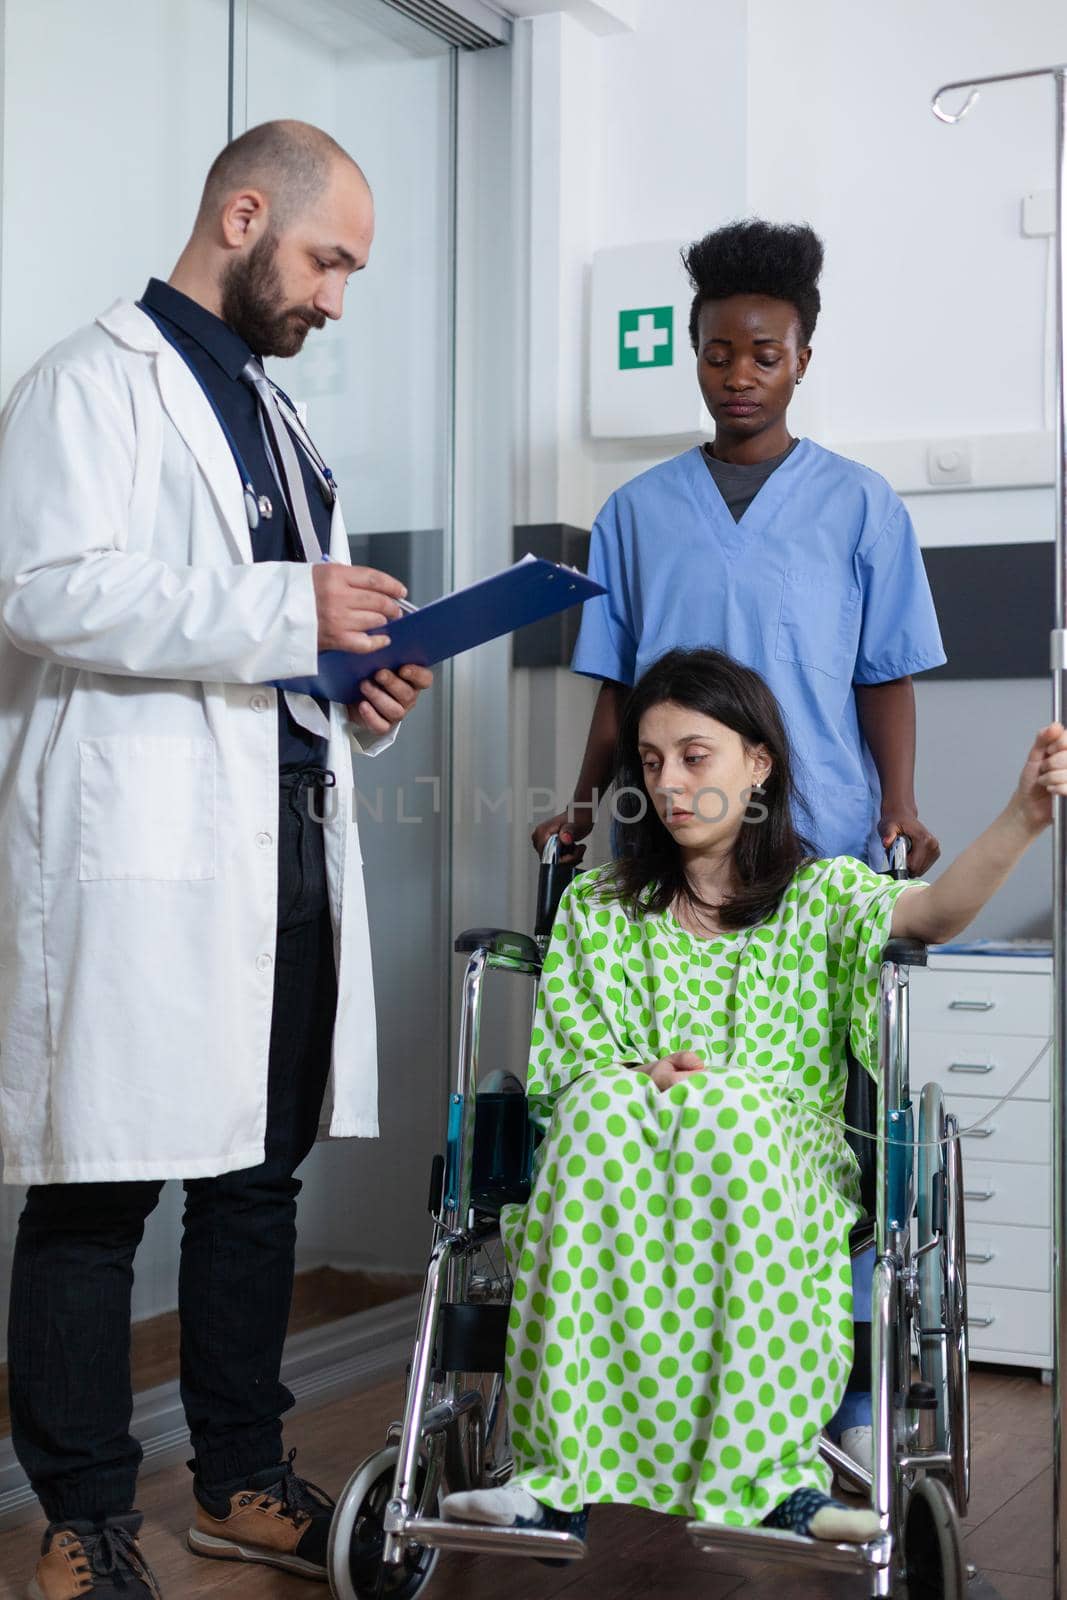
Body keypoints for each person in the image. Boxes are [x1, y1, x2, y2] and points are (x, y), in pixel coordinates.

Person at [0, 121, 432, 1599]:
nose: (331, 295)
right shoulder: (87, 381)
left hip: (283, 844)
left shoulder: (282, 422)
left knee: (258, 1178)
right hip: (143, 853)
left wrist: (354, 683)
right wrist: (285, 616)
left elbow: (287, 639)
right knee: (98, 1186)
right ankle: (82, 1519)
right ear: (243, 217)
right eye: (325, 259)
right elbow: (48, 590)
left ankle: (240, 1480)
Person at [448, 648, 1062, 1540]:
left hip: (771, 1154)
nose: (669, 782)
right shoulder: (600, 904)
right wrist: (644, 1081)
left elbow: (931, 915)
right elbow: (574, 1061)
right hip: (623, 1160)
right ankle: (554, 1479)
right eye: (651, 762)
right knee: (599, 1111)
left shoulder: (820, 896)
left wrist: (1022, 816)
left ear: (757, 763)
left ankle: (769, 1479)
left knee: (724, 1109)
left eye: (695, 756)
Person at [532, 218, 946, 1470]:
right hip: (677, 861)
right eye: (716, 352)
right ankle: (641, 1380)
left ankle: (838, 1368)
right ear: (695, 359)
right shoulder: (634, 511)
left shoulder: (859, 506)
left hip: (813, 834)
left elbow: (883, 675)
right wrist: (584, 797)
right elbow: (612, 686)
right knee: (653, 1094)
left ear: (801, 357)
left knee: (822, 1117)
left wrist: (900, 804)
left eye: (762, 352)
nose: (736, 373)